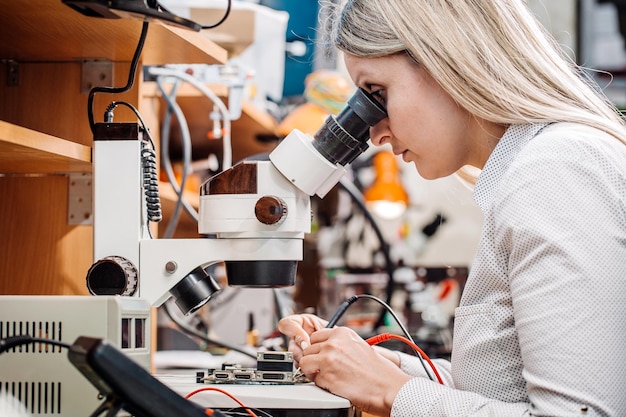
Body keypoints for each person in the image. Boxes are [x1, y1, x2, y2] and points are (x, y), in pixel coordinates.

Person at [277, 1, 626, 416]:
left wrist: (392, 392)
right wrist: (383, 369)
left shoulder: (557, 168)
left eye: (377, 94)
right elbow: (508, 392)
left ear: (445, 58)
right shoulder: (532, 168)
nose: (373, 132)